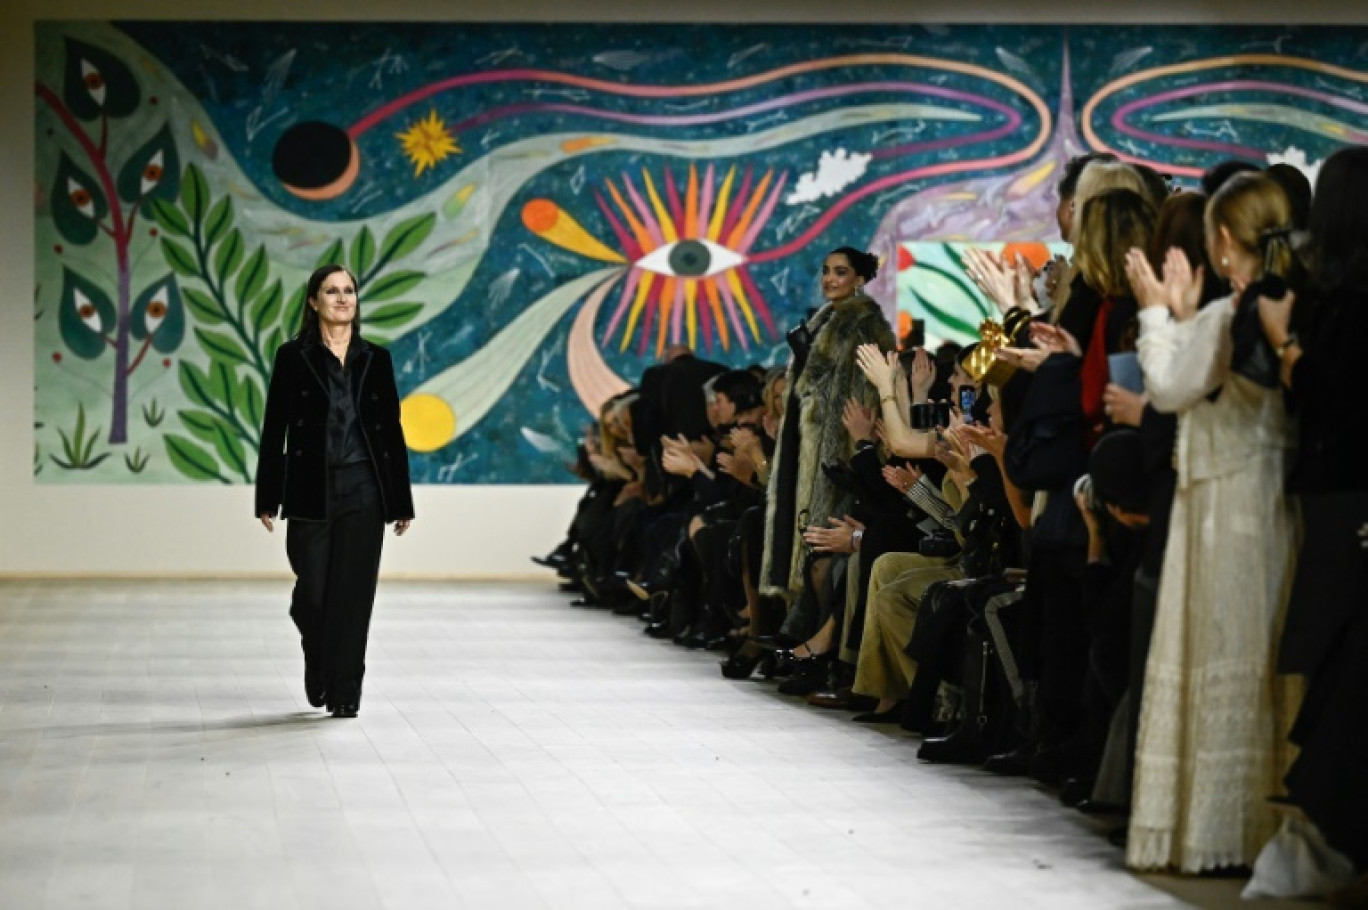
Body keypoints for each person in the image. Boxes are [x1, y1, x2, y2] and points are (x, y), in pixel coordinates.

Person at [1123, 173, 1297, 872]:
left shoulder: (1239, 312)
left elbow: (1167, 388)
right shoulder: (1285, 303)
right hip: (1273, 501)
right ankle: (1261, 821)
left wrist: (1156, 313)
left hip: (1226, 508)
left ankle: (1221, 827)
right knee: (1261, 660)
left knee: (1223, 646)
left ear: (1222, 241)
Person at [255, 263, 415, 719]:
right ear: (313, 301)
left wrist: (400, 500)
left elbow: (390, 432)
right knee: (313, 595)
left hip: (364, 487)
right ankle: (316, 653)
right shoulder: (293, 357)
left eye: (349, 290)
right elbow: (275, 430)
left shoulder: (375, 359)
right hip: (309, 488)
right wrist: (268, 495)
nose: (343, 298)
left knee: (354, 594)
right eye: (332, 291)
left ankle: (345, 691)